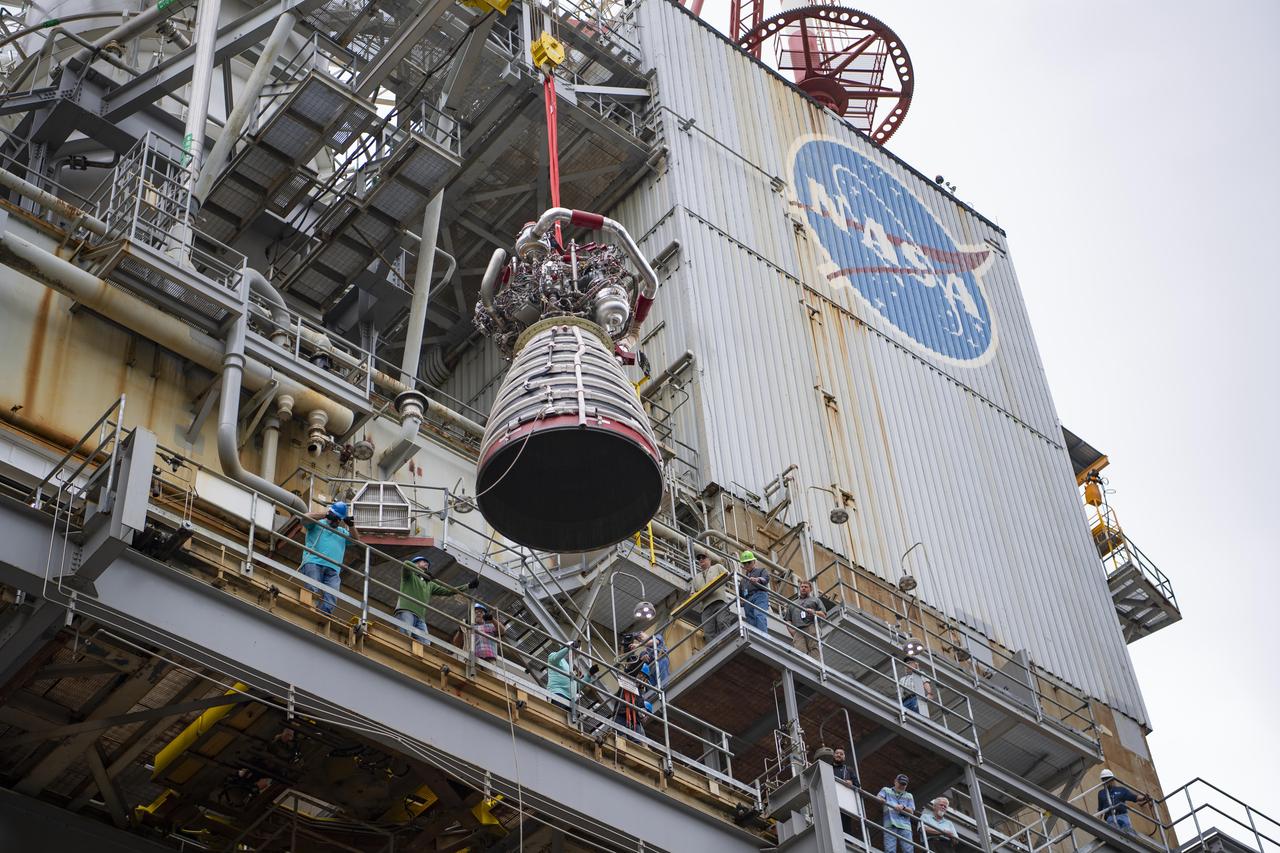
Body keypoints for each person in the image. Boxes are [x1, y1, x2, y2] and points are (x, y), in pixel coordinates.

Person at [394, 555, 478, 639]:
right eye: (423, 561)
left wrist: (468, 586)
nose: (426, 563)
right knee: (404, 636)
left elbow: (448, 591)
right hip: (406, 610)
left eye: (427, 563)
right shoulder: (409, 576)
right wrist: (421, 572)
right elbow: (406, 564)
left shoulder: (429, 584)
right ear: (415, 564)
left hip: (420, 617)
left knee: (425, 641)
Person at [299, 502, 358, 616]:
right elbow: (305, 518)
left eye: (339, 519)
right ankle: (308, 612)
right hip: (314, 562)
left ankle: (322, 616)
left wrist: (351, 526)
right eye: (335, 518)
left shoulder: (342, 532)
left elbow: (356, 540)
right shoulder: (317, 524)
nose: (336, 521)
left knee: (331, 598)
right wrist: (325, 515)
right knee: (312, 590)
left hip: (333, 569)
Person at [692, 552, 736, 638]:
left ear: (709, 560)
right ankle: (713, 649)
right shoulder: (696, 578)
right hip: (706, 607)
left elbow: (729, 575)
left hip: (719, 601)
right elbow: (693, 593)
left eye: (703, 557)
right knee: (708, 631)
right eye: (699, 558)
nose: (701, 559)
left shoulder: (717, 567)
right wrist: (692, 594)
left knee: (722, 621)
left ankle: (727, 642)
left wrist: (716, 580)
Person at [1097, 769, 1150, 836]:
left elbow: (1134, 797)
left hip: (1123, 816)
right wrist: (1097, 822)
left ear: (1112, 779)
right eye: (1104, 779)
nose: (1106, 781)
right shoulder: (1101, 793)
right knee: (1114, 836)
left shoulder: (1121, 790)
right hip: (1110, 818)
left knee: (1129, 835)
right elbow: (1100, 809)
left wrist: (1144, 797)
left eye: (1107, 779)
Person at [877, 773, 916, 853]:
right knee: (890, 849)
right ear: (895, 781)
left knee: (908, 850)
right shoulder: (886, 790)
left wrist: (903, 807)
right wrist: (881, 799)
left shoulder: (909, 795)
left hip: (905, 826)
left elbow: (911, 811)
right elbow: (879, 797)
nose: (902, 786)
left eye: (904, 784)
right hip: (890, 823)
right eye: (901, 783)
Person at [787, 579, 827, 655]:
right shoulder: (793, 603)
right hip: (798, 630)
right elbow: (788, 619)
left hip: (811, 627)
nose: (803, 588)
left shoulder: (816, 600)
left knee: (814, 648)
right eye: (802, 587)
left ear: (810, 589)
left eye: (806, 587)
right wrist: (791, 631)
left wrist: (814, 612)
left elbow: (824, 615)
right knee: (799, 651)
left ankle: (815, 666)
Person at [739, 551, 771, 633]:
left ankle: (763, 637)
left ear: (754, 562)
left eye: (749, 562)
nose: (747, 565)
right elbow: (740, 594)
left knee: (759, 615)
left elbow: (766, 578)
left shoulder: (761, 570)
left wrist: (758, 579)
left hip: (759, 595)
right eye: (745, 563)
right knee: (750, 620)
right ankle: (755, 638)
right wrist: (740, 600)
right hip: (748, 600)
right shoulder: (743, 580)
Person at [547, 641, 578, 707]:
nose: (573, 655)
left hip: (571, 699)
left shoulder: (569, 667)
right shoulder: (554, 656)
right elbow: (555, 658)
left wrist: (589, 675)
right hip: (558, 693)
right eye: (572, 652)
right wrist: (569, 648)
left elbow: (577, 686)